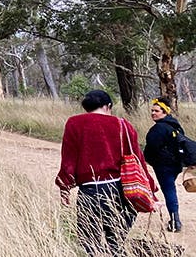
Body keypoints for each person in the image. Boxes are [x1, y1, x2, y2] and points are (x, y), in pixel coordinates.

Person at [56, 89, 157, 256]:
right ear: (107, 106)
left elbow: (68, 159)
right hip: (119, 190)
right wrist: (150, 191)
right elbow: (138, 161)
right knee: (116, 242)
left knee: (90, 244)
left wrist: (64, 187)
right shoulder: (122, 124)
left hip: (89, 192)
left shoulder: (74, 123)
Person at [144, 96, 185, 232]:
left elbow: (152, 148)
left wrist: (150, 160)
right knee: (170, 189)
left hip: (164, 166)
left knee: (169, 191)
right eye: (152, 111)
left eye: (157, 111)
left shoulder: (159, 129)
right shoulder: (176, 126)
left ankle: (175, 221)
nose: (153, 113)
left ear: (165, 112)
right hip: (176, 165)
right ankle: (175, 219)